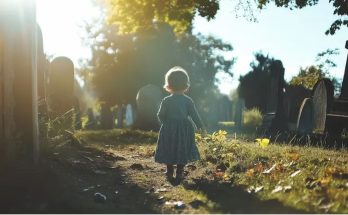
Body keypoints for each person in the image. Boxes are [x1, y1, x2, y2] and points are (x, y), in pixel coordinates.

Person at [154, 66, 204, 181]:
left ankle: (169, 170)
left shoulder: (166, 100)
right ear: (186, 84)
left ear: (169, 84)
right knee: (183, 148)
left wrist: (166, 123)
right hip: (185, 128)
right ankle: (180, 171)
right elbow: (194, 115)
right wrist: (200, 125)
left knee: (169, 147)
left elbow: (160, 115)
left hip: (169, 128)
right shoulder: (188, 100)